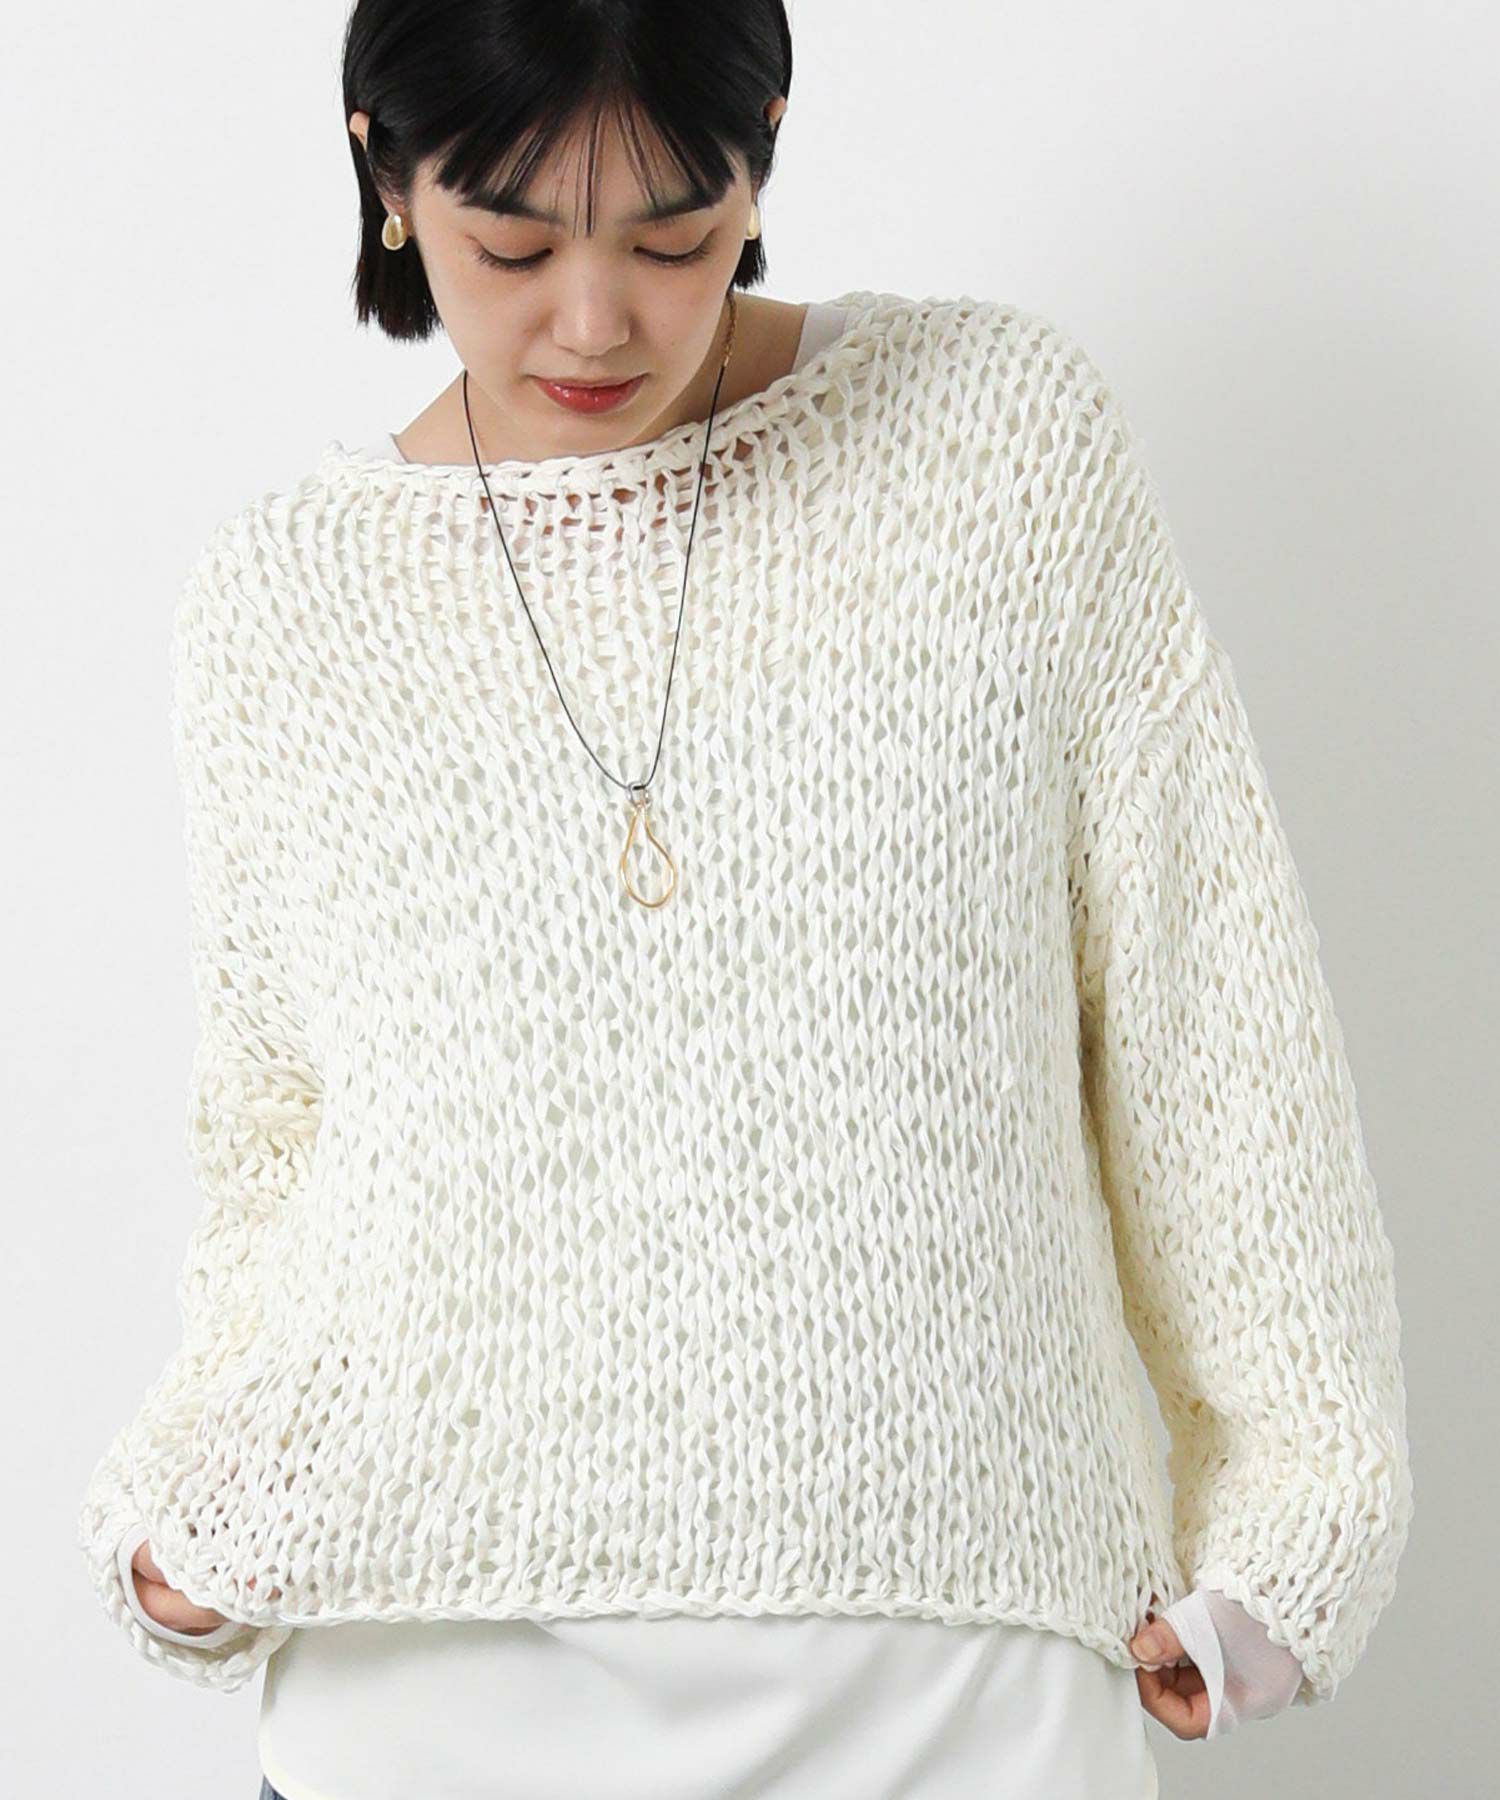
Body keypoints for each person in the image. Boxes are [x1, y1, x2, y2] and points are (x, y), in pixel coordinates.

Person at [77, 3, 1413, 1796]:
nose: (595, 319)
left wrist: (1302, 1519)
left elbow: (1209, 1004)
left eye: (675, 234)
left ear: (765, 143)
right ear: (384, 170)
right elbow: (279, 1142)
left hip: (956, 1697)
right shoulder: (282, 609)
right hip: (428, 1703)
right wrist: (193, 1500)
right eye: (512, 245)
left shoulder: (997, 446)